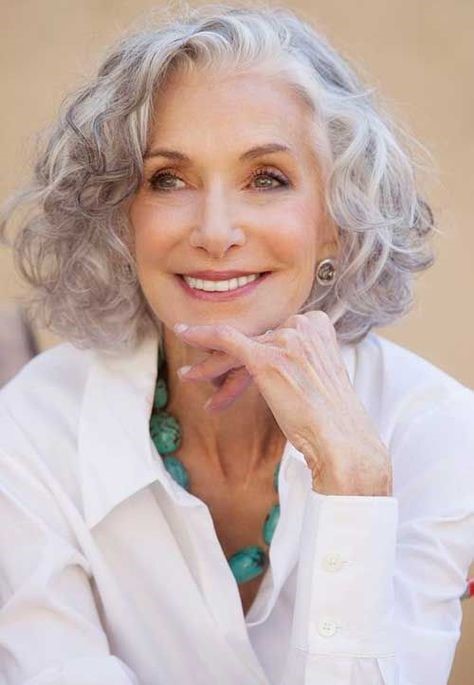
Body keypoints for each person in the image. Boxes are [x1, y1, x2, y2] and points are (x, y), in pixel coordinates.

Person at [1, 3, 473, 684]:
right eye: (168, 179)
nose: (216, 231)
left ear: (336, 219)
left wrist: (355, 485)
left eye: (266, 178)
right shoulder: (33, 429)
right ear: (119, 215)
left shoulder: (436, 430)